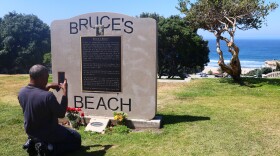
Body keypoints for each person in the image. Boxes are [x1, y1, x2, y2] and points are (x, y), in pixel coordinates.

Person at [18, 64, 81, 155]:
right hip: (49, 132)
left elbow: (36, 99)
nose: (48, 79)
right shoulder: (48, 96)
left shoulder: (22, 92)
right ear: (41, 78)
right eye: (47, 77)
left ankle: (34, 142)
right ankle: (48, 148)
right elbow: (61, 113)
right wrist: (64, 92)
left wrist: (46, 87)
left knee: (68, 132)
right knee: (76, 138)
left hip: (31, 132)